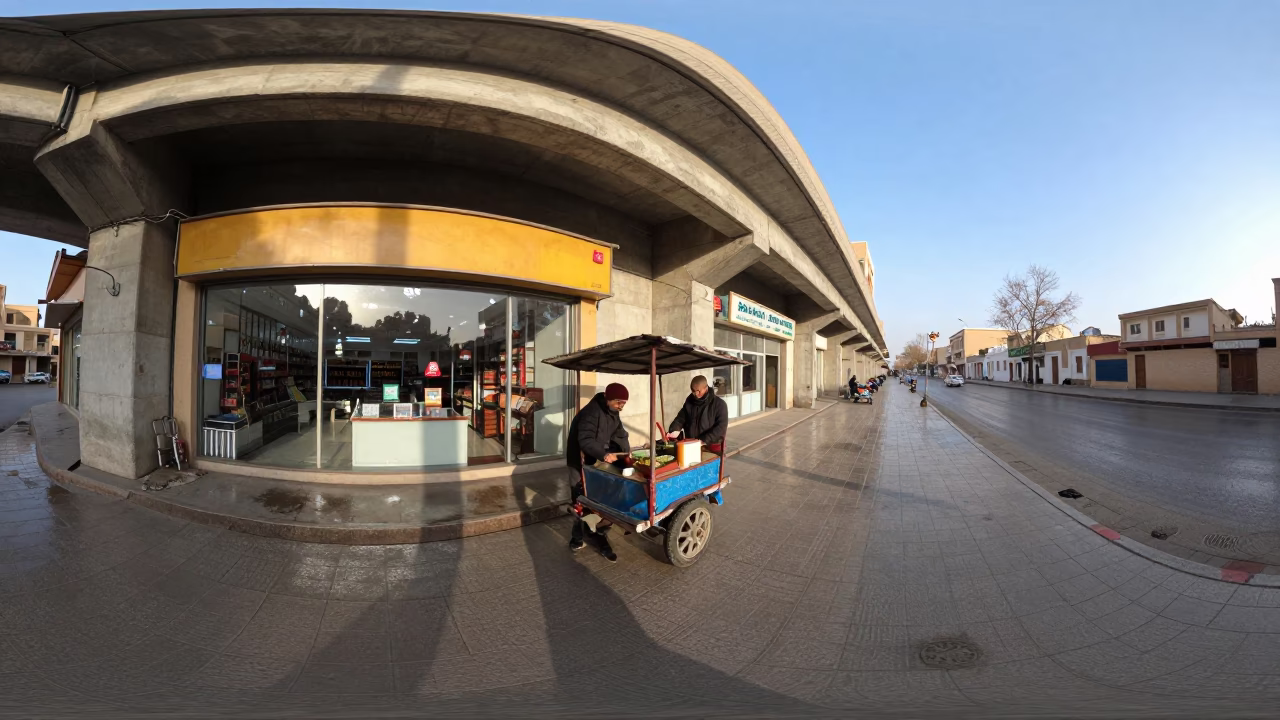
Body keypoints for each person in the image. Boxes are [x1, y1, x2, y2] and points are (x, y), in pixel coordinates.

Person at [565, 382, 630, 561]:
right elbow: (585, 441)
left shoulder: (613, 412)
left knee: (601, 500)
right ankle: (577, 538)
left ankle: (600, 534)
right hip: (579, 462)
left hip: (595, 462)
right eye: (619, 403)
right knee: (579, 500)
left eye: (623, 403)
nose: (621, 407)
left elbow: (620, 435)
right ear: (609, 399)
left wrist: (627, 454)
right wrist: (604, 454)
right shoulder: (590, 413)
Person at [665, 375, 729, 453]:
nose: (695, 393)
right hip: (691, 446)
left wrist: (702, 440)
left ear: (706, 388)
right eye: (693, 390)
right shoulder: (689, 402)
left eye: (698, 391)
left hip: (711, 449)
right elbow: (681, 418)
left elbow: (720, 428)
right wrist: (674, 429)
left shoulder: (719, 404)